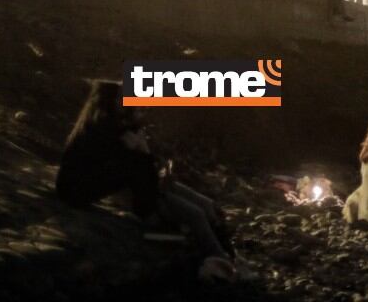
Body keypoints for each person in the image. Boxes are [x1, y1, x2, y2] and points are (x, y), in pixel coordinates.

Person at [55, 80, 239, 280]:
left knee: (205, 205)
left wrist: (147, 161)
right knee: (195, 214)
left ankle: (228, 254)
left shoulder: (110, 126)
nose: (127, 102)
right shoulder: (104, 129)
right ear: (110, 102)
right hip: (76, 191)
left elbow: (137, 170)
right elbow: (136, 169)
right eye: (121, 98)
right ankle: (221, 260)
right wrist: (142, 154)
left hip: (96, 186)